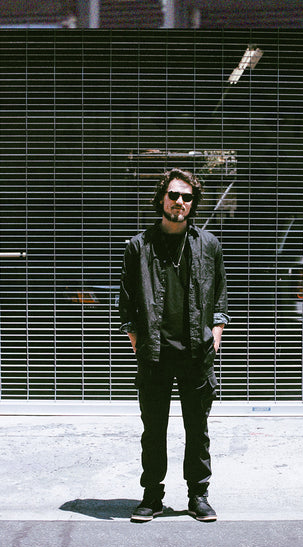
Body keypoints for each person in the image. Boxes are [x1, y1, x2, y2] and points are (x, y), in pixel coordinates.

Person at [118, 167, 229, 523]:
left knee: (198, 430)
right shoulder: (138, 246)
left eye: (187, 197)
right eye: (173, 195)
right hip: (154, 354)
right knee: (154, 430)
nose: (180, 202)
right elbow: (126, 302)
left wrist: (216, 335)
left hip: (197, 353)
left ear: (193, 203)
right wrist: (137, 340)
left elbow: (220, 297)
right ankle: (152, 496)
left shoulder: (208, 244)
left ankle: (198, 496)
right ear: (161, 199)